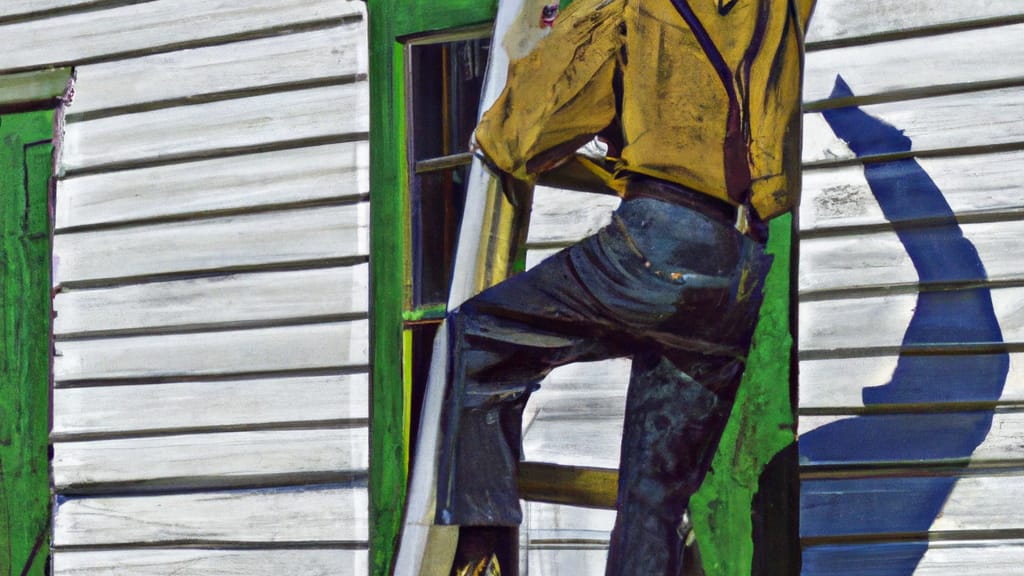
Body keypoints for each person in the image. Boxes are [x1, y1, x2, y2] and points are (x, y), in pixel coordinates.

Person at [435, 0, 815, 573]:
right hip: (737, 267)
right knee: (654, 501)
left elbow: (528, 133)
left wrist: (527, 67)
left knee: (480, 337)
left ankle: (484, 532)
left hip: (661, 240)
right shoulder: (776, 8)